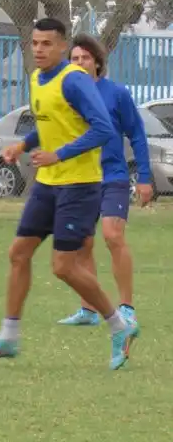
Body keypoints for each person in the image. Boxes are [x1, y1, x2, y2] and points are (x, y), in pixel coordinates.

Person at [0, 18, 139, 371]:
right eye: (35, 43)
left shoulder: (74, 80)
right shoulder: (37, 79)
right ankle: (8, 336)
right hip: (48, 184)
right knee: (18, 253)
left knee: (63, 266)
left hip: (80, 185)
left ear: (63, 46)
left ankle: (118, 325)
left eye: (47, 44)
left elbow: (104, 129)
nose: (39, 50)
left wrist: (58, 155)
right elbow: (50, 125)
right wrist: (22, 145)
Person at [56, 34, 153, 328]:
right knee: (83, 243)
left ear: (97, 62)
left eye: (85, 58)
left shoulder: (116, 93)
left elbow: (137, 134)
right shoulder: (66, 96)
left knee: (113, 235)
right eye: (74, 59)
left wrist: (145, 177)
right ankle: (88, 310)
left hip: (112, 176)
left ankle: (127, 308)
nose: (80, 63)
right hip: (80, 179)